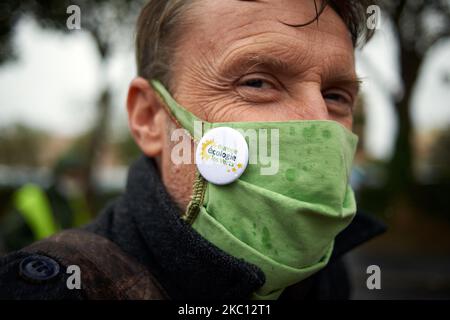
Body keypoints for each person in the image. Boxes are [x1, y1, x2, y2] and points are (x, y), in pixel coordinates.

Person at [0, 0, 386, 300]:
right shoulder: (58, 287)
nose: (318, 121)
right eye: (256, 83)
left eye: (336, 96)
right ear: (150, 118)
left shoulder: (328, 271)